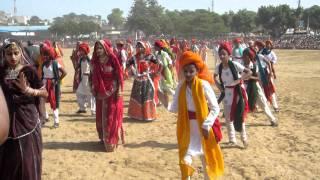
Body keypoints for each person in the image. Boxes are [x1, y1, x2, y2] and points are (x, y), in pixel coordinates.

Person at [168, 51, 224, 180]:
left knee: (206, 161)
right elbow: (174, 108)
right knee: (185, 159)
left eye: (191, 71)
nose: (188, 74)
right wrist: (166, 102)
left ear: (197, 71)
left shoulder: (204, 85)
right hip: (187, 128)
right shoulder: (180, 86)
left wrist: (206, 125)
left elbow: (215, 108)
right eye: (185, 71)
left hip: (203, 128)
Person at [0, 39, 48, 180]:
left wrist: (28, 90)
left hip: (27, 121)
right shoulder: (1, 72)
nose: (13, 57)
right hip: (6, 120)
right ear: (4, 54)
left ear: (21, 53)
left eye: (16, 53)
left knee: (26, 159)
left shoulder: (29, 71)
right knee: (8, 160)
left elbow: (44, 93)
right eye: (9, 54)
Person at [214, 42, 251, 147]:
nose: (221, 56)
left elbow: (249, 72)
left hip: (237, 93)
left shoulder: (234, 64)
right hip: (227, 94)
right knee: (228, 118)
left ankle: (244, 139)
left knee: (239, 117)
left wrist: (239, 80)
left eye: (224, 54)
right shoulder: (219, 67)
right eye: (220, 54)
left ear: (229, 55)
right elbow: (214, 77)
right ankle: (232, 140)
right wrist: (219, 87)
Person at [91, 39, 124, 152]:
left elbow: (119, 75)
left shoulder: (112, 59)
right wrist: (93, 88)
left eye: (100, 48)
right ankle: (103, 138)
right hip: (100, 94)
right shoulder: (95, 61)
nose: (98, 51)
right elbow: (92, 77)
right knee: (101, 116)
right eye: (97, 48)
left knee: (111, 116)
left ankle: (112, 140)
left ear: (105, 48)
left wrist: (119, 89)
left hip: (113, 92)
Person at [242, 48, 278, 126]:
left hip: (255, 87)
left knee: (263, 104)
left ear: (248, 57)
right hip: (244, 87)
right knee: (242, 103)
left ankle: (272, 120)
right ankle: (239, 121)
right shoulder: (242, 65)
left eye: (244, 56)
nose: (243, 58)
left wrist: (248, 77)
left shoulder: (254, 65)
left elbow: (258, 78)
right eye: (243, 56)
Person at [126, 41, 158, 121]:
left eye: (141, 47)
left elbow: (158, 64)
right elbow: (127, 65)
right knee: (137, 97)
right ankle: (137, 115)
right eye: (138, 46)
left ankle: (148, 115)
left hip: (147, 81)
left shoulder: (150, 56)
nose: (139, 48)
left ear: (145, 47)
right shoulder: (134, 58)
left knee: (147, 97)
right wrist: (132, 72)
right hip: (137, 81)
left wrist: (153, 72)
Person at [41, 43, 67, 128]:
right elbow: (42, 75)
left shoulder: (55, 63)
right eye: (44, 54)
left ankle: (56, 121)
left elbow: (64, 72)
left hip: (53, 86)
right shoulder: (43, 64)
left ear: (50, 55)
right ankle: (45, 118)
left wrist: (57, 80)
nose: (45, 57)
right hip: (44, 85)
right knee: (42, 102)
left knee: (54, 103)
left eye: (46, 55)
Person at [255, 41, 279, 112]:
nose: (256, 48)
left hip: (266, 72)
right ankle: (260, 105)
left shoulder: (271, 53)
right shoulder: (257, 53)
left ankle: (275, 106)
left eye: (258, 46)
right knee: (260, 89)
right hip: (259, 72)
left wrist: (272, 73)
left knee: (270, 89)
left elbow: (271, 64)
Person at [76, 42, 95, 115]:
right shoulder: (80, 59)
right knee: (79, 93)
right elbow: (77, 68)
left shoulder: (89, 58)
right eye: (80, 50)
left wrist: (92, 78)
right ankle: (82, 108)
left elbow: (93, 68)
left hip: (88, 78)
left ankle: (93, 110)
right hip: (82, 78)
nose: (80, 51)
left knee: (90, 95)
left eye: (81, 50)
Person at [154, 40, 175, 108]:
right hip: (159, 72)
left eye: (156, 46)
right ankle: (161, 101)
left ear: (159, 47)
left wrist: (170, 70)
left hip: (165, 72)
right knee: (159, 87)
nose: (154, 47)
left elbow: (170, 62)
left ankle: (176, 97)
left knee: (167, 87)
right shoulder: (155, 54)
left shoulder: (164, 54)